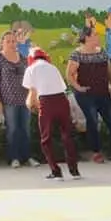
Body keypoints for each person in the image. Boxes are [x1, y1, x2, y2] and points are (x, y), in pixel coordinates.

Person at [67, 26, 111, 165]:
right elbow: (69, 75)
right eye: (95, 35)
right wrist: (78, 88)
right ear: (87, 37)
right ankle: (96, 152)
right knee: (92, 120)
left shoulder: (102, 52)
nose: (98, 37)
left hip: (103, 92)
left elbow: (110, 70)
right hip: (86, 94)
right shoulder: (77, 54)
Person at [23, 47, 81, 181]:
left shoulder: (31, 69)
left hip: (46, 102)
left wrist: (30, 105)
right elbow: (62, 87)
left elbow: (32, 93)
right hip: (62, 100)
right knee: (67, 135)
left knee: (46, 138)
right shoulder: (52, 67)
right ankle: (74, 170)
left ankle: (56, 171)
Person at [0, 30, 34, 168]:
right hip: (9, 101)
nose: (11, 43)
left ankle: (27, 157)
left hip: (24, 100)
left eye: (13, 41)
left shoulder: (23, 58)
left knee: (25, 129)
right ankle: (14, 158)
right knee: (12, 129)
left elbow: (30, 79)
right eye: (8, 41)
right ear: (2, 43)